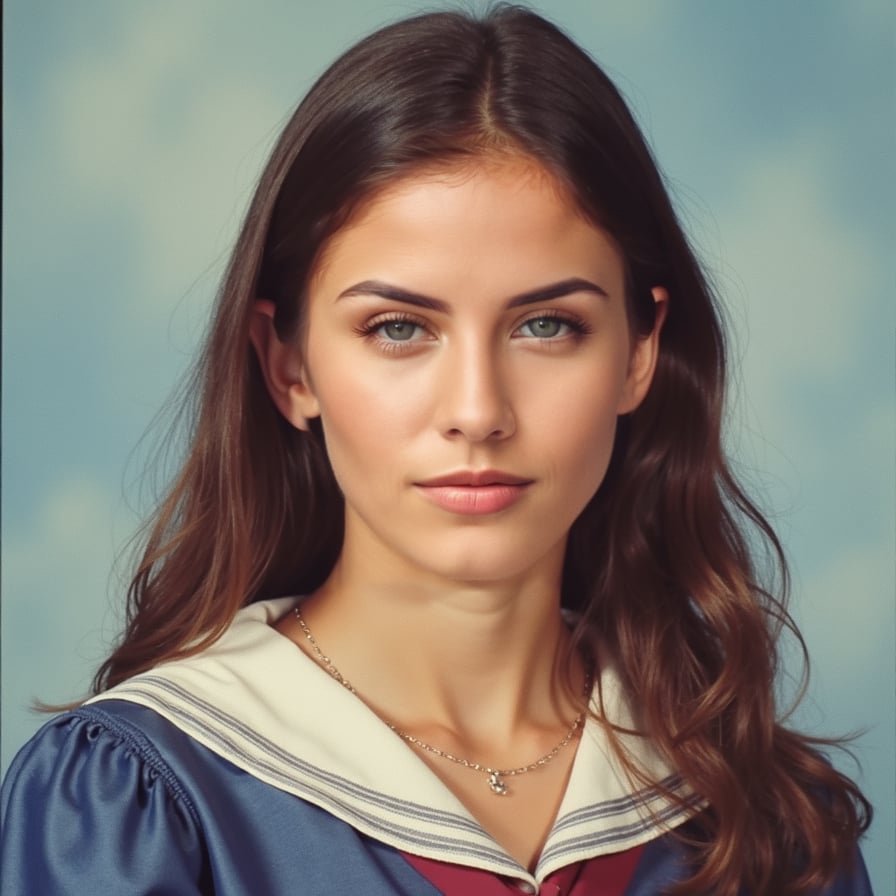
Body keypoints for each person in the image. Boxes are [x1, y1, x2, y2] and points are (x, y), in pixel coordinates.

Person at [0, 5, 873, 895]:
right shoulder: (142, 805)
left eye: (546, 325)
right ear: (288, 365)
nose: (477, 411)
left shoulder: (774, 826)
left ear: (639, 353)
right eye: (398, 328)